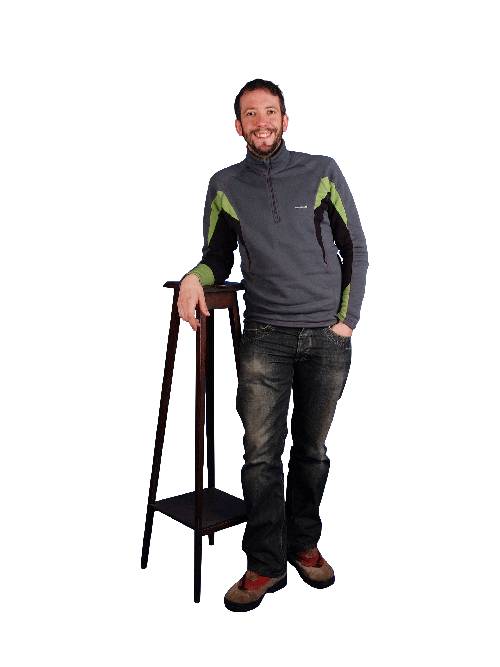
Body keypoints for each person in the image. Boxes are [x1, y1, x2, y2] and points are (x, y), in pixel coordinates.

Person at [177, 79, 368, 612]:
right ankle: (264, 563)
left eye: (270, 112)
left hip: (326, 336)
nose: (261, 121)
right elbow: (217, 256)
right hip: (264, 336)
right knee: (260, 455)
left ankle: (303, 543)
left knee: (311, 451)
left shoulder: (321, 170)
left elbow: (355, 246)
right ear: (238, 125)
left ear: (285, 120)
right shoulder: (224, 185)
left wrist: (347, 321)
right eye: (250, 114)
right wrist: (194, 277)